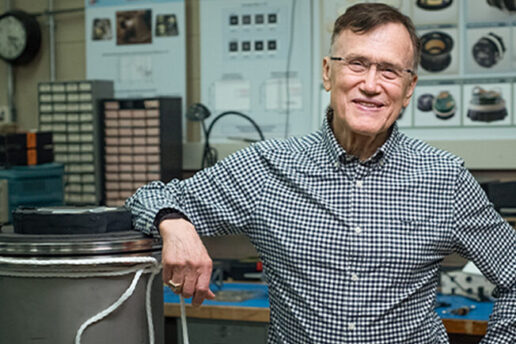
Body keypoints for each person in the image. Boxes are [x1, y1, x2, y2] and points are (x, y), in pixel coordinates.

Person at [126, 3, 516, 343]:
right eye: (357, 64)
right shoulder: (267, 168)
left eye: (390, 71)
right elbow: (148, 197)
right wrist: (173, 223)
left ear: (409, 88)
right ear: (328, 73)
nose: (370, 85)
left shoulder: (443, 179)